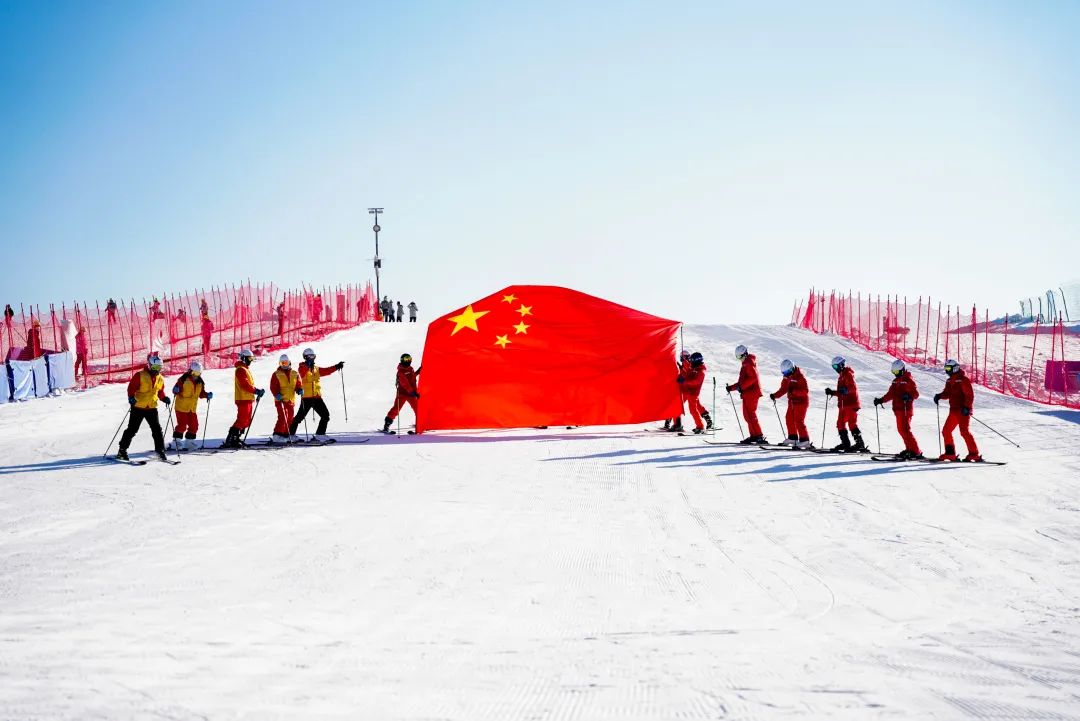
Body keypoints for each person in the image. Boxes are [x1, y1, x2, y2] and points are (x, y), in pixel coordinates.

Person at [116, 354, 171, 462]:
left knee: (157, 430)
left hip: (151, 407)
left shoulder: (160, 378)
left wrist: (164, 398)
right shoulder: (140, 375)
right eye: (155, 367)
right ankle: (122, 450)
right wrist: (131, 398)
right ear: (149, 365)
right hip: (139, 407)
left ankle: (160, 451)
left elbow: (160, 391)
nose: (157, 370)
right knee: (132, 429)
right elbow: (131, 388)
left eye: (159, 368)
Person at [288, 347, 344, 442]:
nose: (312, 358)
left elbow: (326, 371)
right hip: (307, 398)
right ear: (305, 357)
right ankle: (290, 434)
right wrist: (307, 366)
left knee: (325, 415)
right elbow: (302, 373)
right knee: (299, 417)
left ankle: (320, 434)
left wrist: (336, 366)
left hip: (317, 397)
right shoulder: (302, 367)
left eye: (313, 356)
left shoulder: (316, 369)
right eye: (310, 356)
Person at [873, 359, 923, 460]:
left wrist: (908, 396)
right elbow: (890, 394)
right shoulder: (895, 381)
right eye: (894, 372)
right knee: (901, 430)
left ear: (902, 369)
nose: (895, 374)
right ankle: (909, 449)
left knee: (905, 430)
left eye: (897, 372)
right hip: (898, 410)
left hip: (905, 409)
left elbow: (916, 394)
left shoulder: (908, 379)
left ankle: (915, 451)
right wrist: (881, 400)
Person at [934, 359, 982, 462]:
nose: (947, 371)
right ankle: (950, 453)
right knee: (946, 431)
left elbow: (969, 395)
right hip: (953, 411)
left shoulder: (963, 380)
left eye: (948, 368)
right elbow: (947, 393)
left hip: (963, 411)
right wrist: (939, 396)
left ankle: (974, 454)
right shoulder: (949, 380)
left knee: (964, 432)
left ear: (954, 368)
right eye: (945, 368)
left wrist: (967, 407)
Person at [222, 348, 264, 449]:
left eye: (252, 358)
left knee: (246, 420)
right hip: (242, 398)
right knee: (242, 419)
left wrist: (255, 391)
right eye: (249, 358)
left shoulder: (245, 369)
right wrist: (256, 390)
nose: (251, 360)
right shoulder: (240, 369)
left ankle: (236, 437)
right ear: (244, 358)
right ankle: (231, 438)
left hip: (247, 398)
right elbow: (245, 384)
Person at [824, 355, 867, 452]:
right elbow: (841, 391)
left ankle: (860, 444)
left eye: (836, 366)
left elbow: (853, 388)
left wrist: (845, 390)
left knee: (852, 424)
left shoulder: (848, 374)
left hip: (851, 403)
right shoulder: (841, 376)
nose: (835, 369)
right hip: (844, 404)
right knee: (840, 424)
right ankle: (845, 443)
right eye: (833, 367)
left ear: (841, 364)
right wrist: (832, 392)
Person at [726, 344, 766, 444]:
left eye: (740, 357)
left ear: (745, 354)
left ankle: (759, 435)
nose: (739, 359)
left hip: (752, 393)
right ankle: (754, 435)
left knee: (750, 414)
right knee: (747, 415)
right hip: (748, 393)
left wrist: (741, 387)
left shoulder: (749, 363)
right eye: (737, 357)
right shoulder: (745, 364)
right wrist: (731, 388)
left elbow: (753, 378)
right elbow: (742, 381)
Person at [770, 359, 811, 448]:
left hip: (801, 402)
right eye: (784, 373)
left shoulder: (800, 377)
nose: (786, 374)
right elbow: (784, 388)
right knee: (789, 418)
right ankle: (793, 438)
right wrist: (775, 395)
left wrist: (795, 391)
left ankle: (805, 440)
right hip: (792, 402)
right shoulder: (787, 377)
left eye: (787, 372)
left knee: (798, 420)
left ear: (792, 368)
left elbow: (805, 391)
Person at [171, 360, 211, 450]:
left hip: (192, 408)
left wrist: (207, 395)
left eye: (198, 373)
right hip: (181, 407)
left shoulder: (200, 382)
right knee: (182, 425)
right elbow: (175, 389)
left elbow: (201, 393)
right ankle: (176, 442)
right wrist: (176, 390)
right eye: (194, 372)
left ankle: (189, 442)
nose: (195, 375)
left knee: (194, 425)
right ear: (190, 371)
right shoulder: (183, 379)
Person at [382, 353, 420, 433]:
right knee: (396, 409)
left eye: (409, 359)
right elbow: (405, 383)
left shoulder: (410, 368)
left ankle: (420, 424)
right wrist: (412, 392)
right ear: (402, 360)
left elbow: (412, 378)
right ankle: (387, 424)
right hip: (402, 394)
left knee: (418, 408)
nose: (407, 361)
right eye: (405, 359)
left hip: (411, 393)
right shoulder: (401, 371)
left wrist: (417, 372)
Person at [270, 354, 303, 443]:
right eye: (282, 363)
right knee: (283, 417)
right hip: (280, 400)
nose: (284, 365)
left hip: (290, 400)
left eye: (286, 363)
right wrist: (276, 394)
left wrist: (299, 389)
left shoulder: (294, 373)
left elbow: (298, 384)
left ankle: (285, 434)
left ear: (289, 362)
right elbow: (273, 386)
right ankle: (277, 435)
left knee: (290, 418)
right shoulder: (276, 374)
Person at [676, 352, 711, 434]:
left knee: (693, 410)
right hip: (688, 391)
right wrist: (683, 364)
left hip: (693, 393)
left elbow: (695, 382)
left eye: (692, 360)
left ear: (696, 361)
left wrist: (684, 381)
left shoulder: (700, 371)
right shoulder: (694, 368)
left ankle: (700, 426)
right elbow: (688, 369)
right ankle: (700, 425)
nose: (690, 362)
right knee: (688, 408)